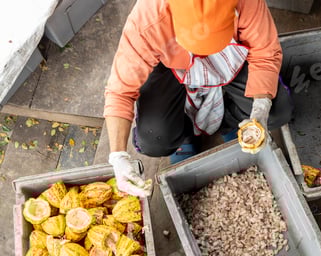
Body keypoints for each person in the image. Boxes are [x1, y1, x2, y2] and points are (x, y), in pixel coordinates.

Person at [104, 0, 294, 197]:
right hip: (171, 65)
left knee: (277, 112)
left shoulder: (247, 3)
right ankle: (184, 134)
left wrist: (260, 108)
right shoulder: (148, 18)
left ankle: (229, 123)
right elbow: (120, 91)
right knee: (154, 139)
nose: (205, 55)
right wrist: (118, 156)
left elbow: (265, 53)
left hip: (231, 59)